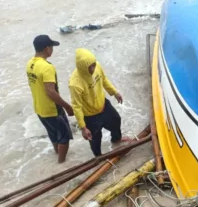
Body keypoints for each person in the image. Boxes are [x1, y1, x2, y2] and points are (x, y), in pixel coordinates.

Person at [69, 48, 130, 156]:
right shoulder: (75, 83)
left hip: (103, 105)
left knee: (116, 120)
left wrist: (115, 92)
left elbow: (104, 80)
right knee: (95, 138)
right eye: (90, 67)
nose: (93, 68)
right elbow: (76, 106)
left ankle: (116, 140)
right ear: (82, 68)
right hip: (89, 114)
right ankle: (98, 157)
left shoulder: (97, 66)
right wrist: (83, 127)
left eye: (93, 65)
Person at [26, 35, 74, 163]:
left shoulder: (30, 64)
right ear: (47, 49)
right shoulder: (47, 67)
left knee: (53, 134)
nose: (52, 49)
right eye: (52, 47)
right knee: (64, 138)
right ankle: (62, 164)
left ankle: (57, 155)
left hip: (39, 108)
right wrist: (67, 106)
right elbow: (51, 92)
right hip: (52, 109)